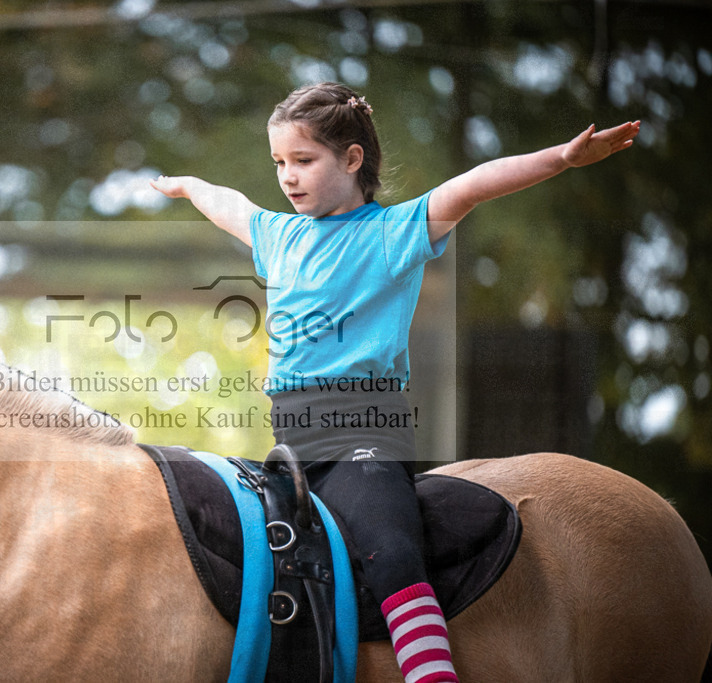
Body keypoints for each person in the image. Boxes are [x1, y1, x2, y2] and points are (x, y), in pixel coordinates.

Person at [151, 81, 638, 683]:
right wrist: (183, 186)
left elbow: (476, 184)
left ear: (352, 159)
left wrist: (560, 158)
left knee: (393, 551)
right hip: (292, 442)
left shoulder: (392, 233)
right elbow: (222, 200)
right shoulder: (279, 236)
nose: (287, 176)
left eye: (304, 160)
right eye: (279, 162)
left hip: (365, 429)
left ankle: (432, 676)